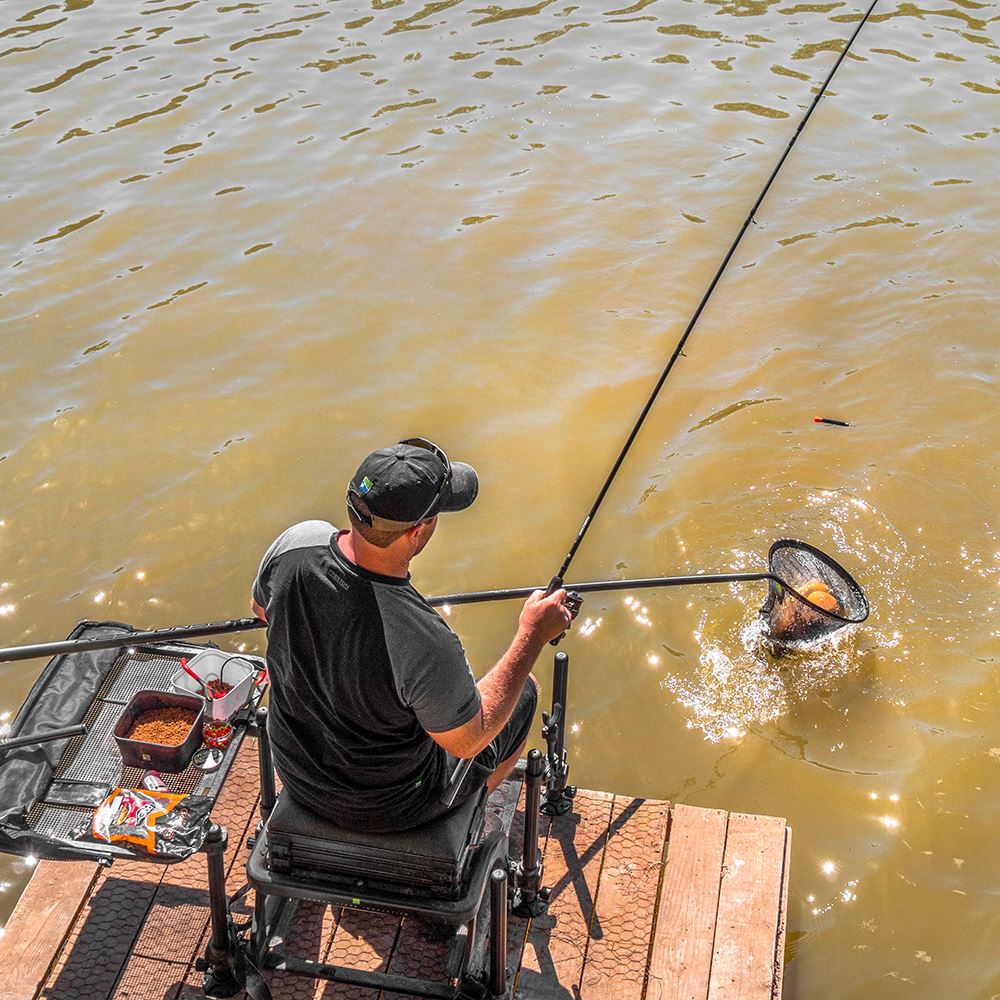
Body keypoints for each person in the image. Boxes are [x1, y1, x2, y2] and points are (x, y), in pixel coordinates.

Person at [251, 437, 573, 833]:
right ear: (418, 532)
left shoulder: (296, 543)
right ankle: (467, 815)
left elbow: (263, 609)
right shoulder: (422, 638)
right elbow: (468, 740)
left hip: (297, 771)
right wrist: (532, 634)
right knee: (524, 693)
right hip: (390, 808)